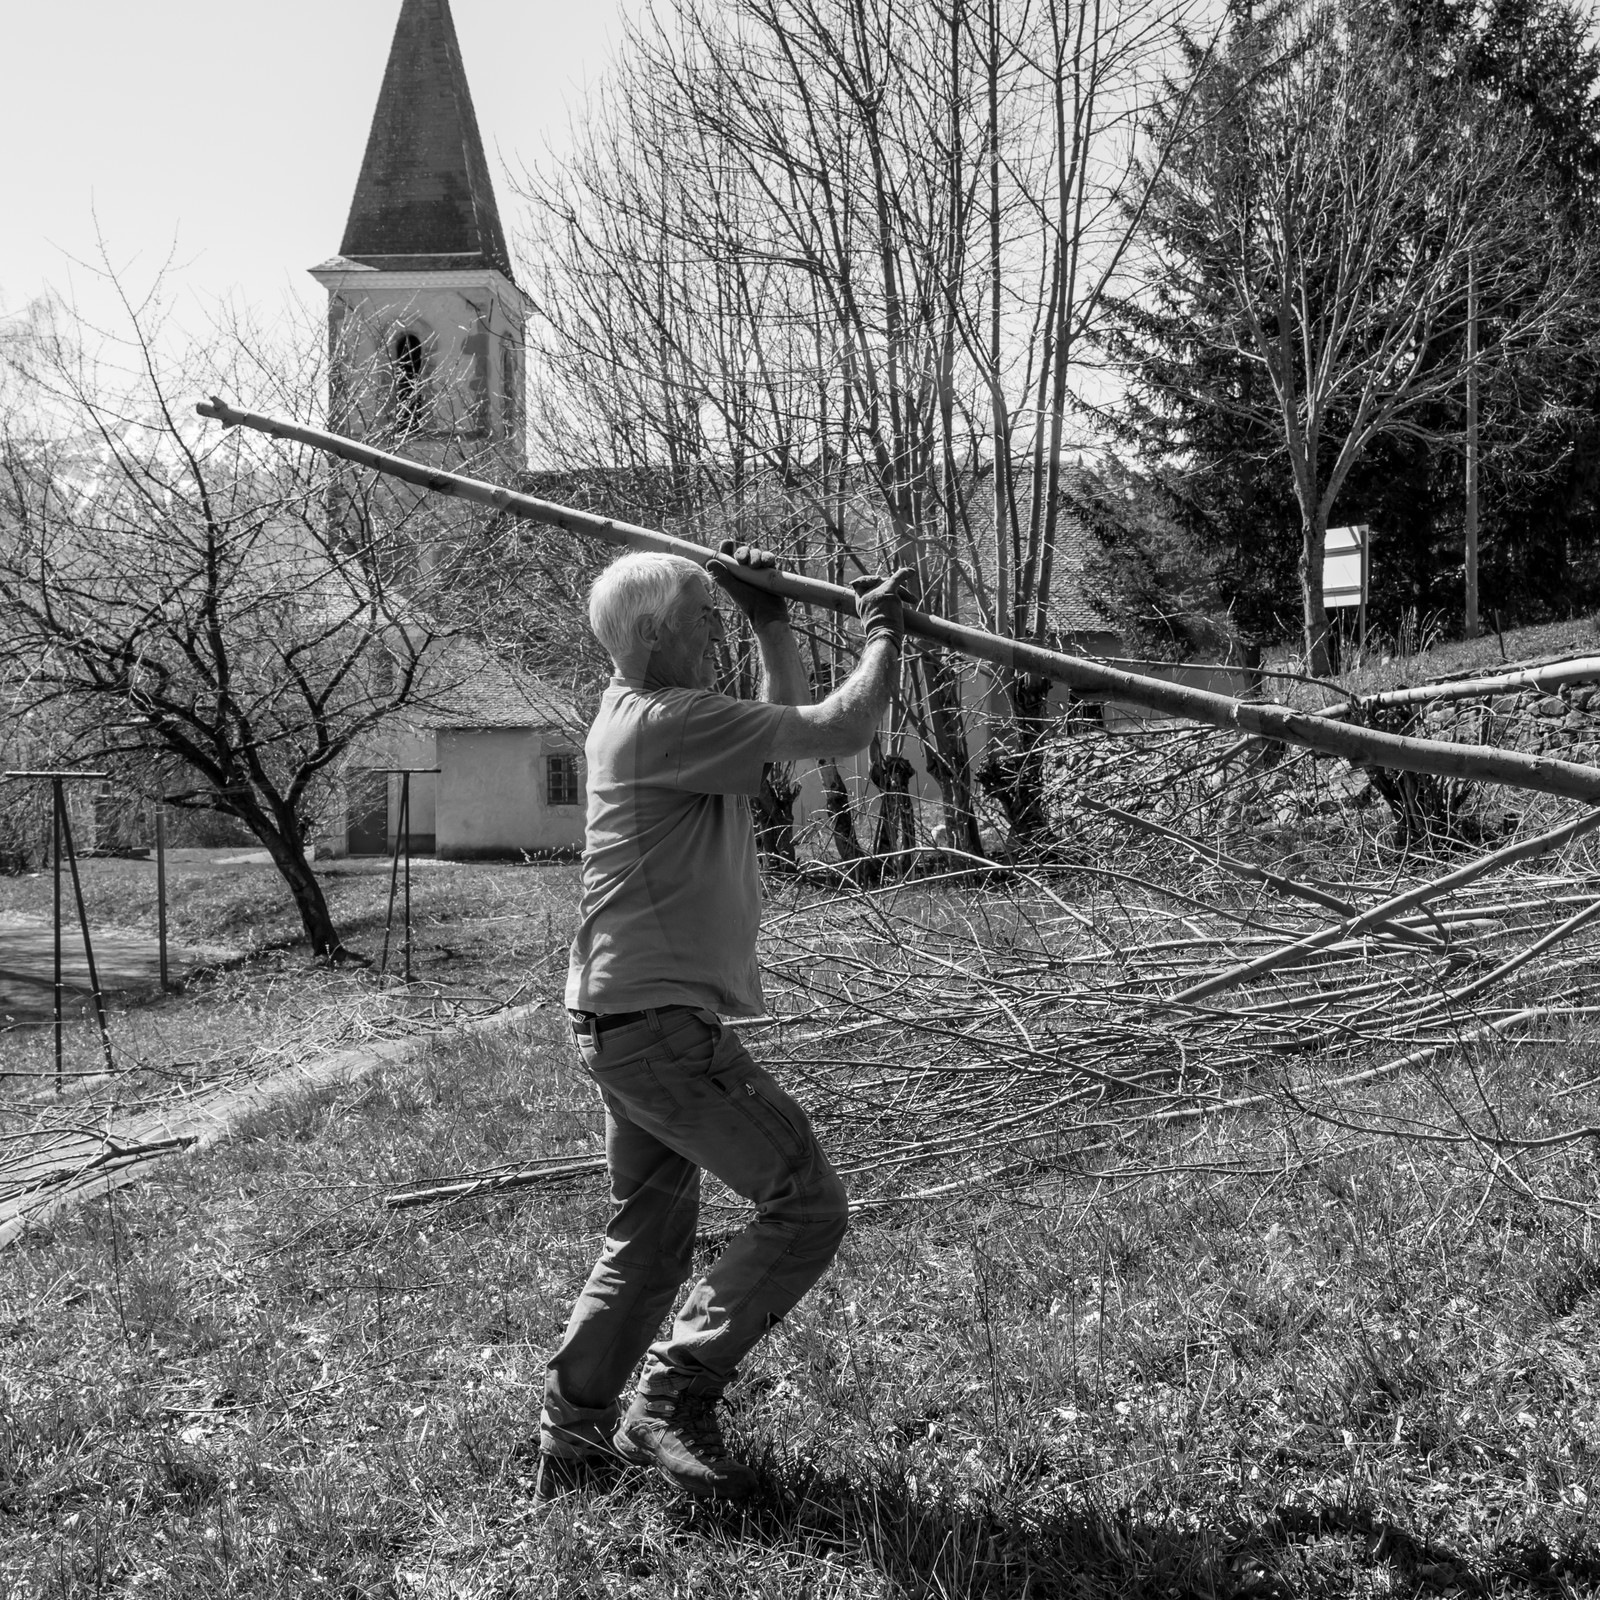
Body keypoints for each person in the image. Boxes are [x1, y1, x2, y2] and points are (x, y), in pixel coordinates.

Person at [536, 540, 911, 1502]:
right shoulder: (668, 721)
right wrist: (884, 629)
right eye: (705, 617)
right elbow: (840, 727)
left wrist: (765, 615)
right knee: (806, 1203)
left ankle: (572, 1437)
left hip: (620, 1016)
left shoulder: (638, 715)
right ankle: (671, 1396)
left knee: (650, 1241)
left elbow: (785, 723)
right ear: (660, 634)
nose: (714, 632)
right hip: (658, 1025)